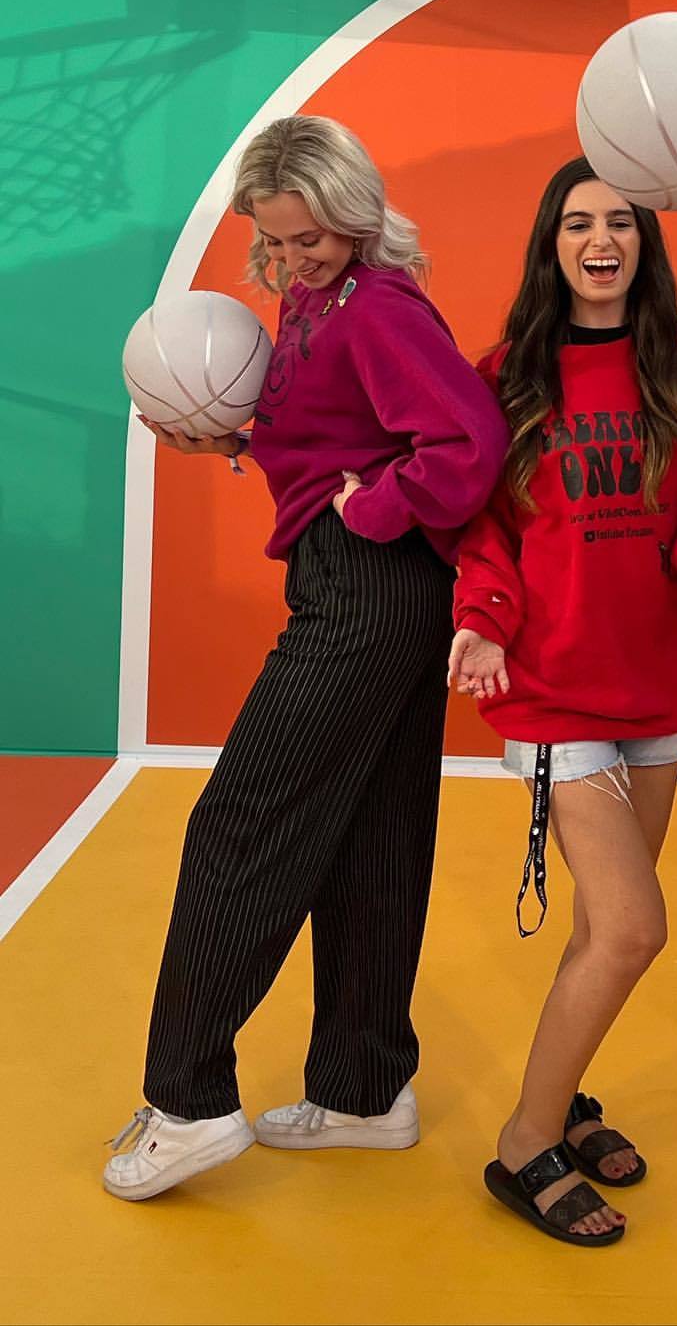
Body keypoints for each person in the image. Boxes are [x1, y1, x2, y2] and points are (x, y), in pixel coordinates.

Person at [104, 114, 508, 1201]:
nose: (293, 259)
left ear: (355, 213)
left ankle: (187, 1102)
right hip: (374, 588)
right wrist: (234, 441)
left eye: (311, 238)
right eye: (276, 241)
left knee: (240, 823)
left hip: (367, 588)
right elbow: (336, 434)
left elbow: (469, 443)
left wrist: (373, 509)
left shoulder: (377, 306)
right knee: (372, 834)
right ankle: (365, 1089)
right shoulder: (312, 299)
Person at [450, 156, 677, 1248]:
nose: (600, 239)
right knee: (631, 927)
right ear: (553, 244)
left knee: (595, 926)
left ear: (643, 242)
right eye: (578, 223)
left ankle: (566, 1097)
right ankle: (526, 1141)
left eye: (620, 221)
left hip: (656, 681)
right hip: (552, 688)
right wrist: (483, 616)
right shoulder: (505, 375)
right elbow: (480, 520)